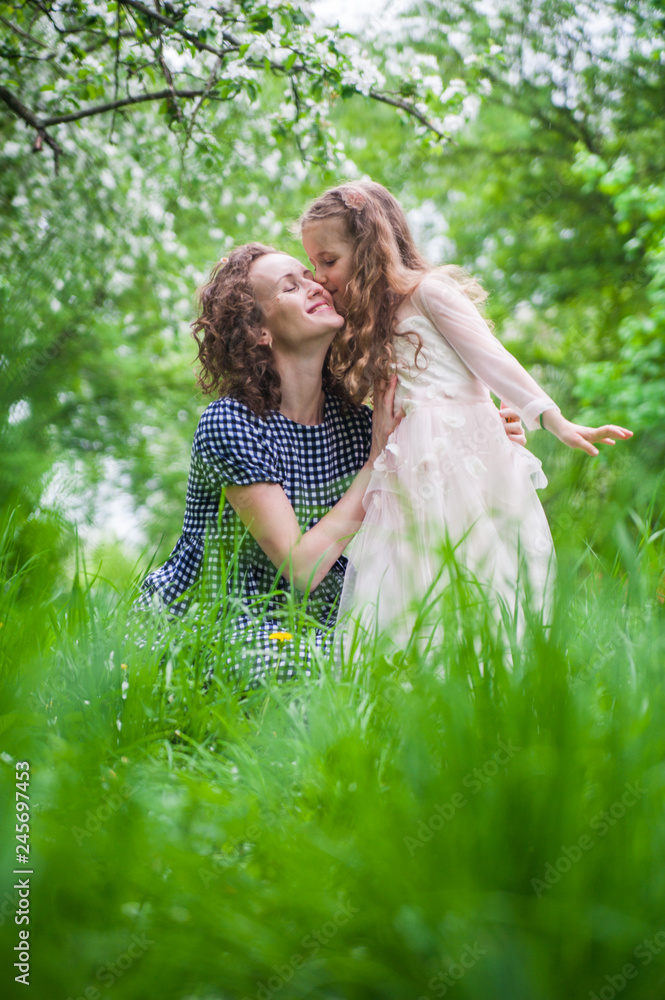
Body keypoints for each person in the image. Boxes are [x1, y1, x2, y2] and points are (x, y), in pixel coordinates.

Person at [131, 241, 527, 686]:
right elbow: (300, 569)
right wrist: (378, 461)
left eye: (310, 276)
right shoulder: (231, 423)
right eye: (290, 286)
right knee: (316, 667)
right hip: (218, 620)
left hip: (318, 628)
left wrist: (487, 438)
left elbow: (439, 506)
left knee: (416, 661)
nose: (315, 285)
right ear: (259, 331)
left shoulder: (359, 424)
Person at [300, 181, 633, 645]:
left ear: (369, 247)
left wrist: (555, 420)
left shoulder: (430, 293)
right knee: (409, 573)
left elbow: (492, 360)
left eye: (328, 261)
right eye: (313, 263)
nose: (318, 275)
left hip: (466, 456)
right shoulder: (368, 324)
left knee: (481, 567)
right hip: (407, 463)